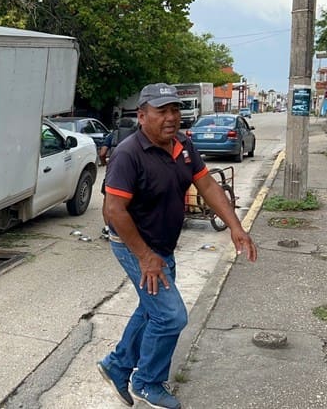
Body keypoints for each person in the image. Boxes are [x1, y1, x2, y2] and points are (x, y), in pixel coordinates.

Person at [97, 83, 257, 409]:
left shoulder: (183, 145)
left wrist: (236, 227)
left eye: (175, 110)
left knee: (150, 309)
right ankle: (147, 382)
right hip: (135, 246)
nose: (171, 118)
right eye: (161, 111)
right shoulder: (129, 154)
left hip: (163, 244)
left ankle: (117, 365)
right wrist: (145, 257)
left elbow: (207, 184)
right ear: (142, 116)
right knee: (171, 317)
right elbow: (113, 210)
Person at [99, 117, 139, 238]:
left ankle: (108, 228)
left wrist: (105, 163)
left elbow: (102, 153)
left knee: (107, 200)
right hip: (133, 172)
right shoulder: (137, 136)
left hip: (113, 171)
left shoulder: (112, 136)